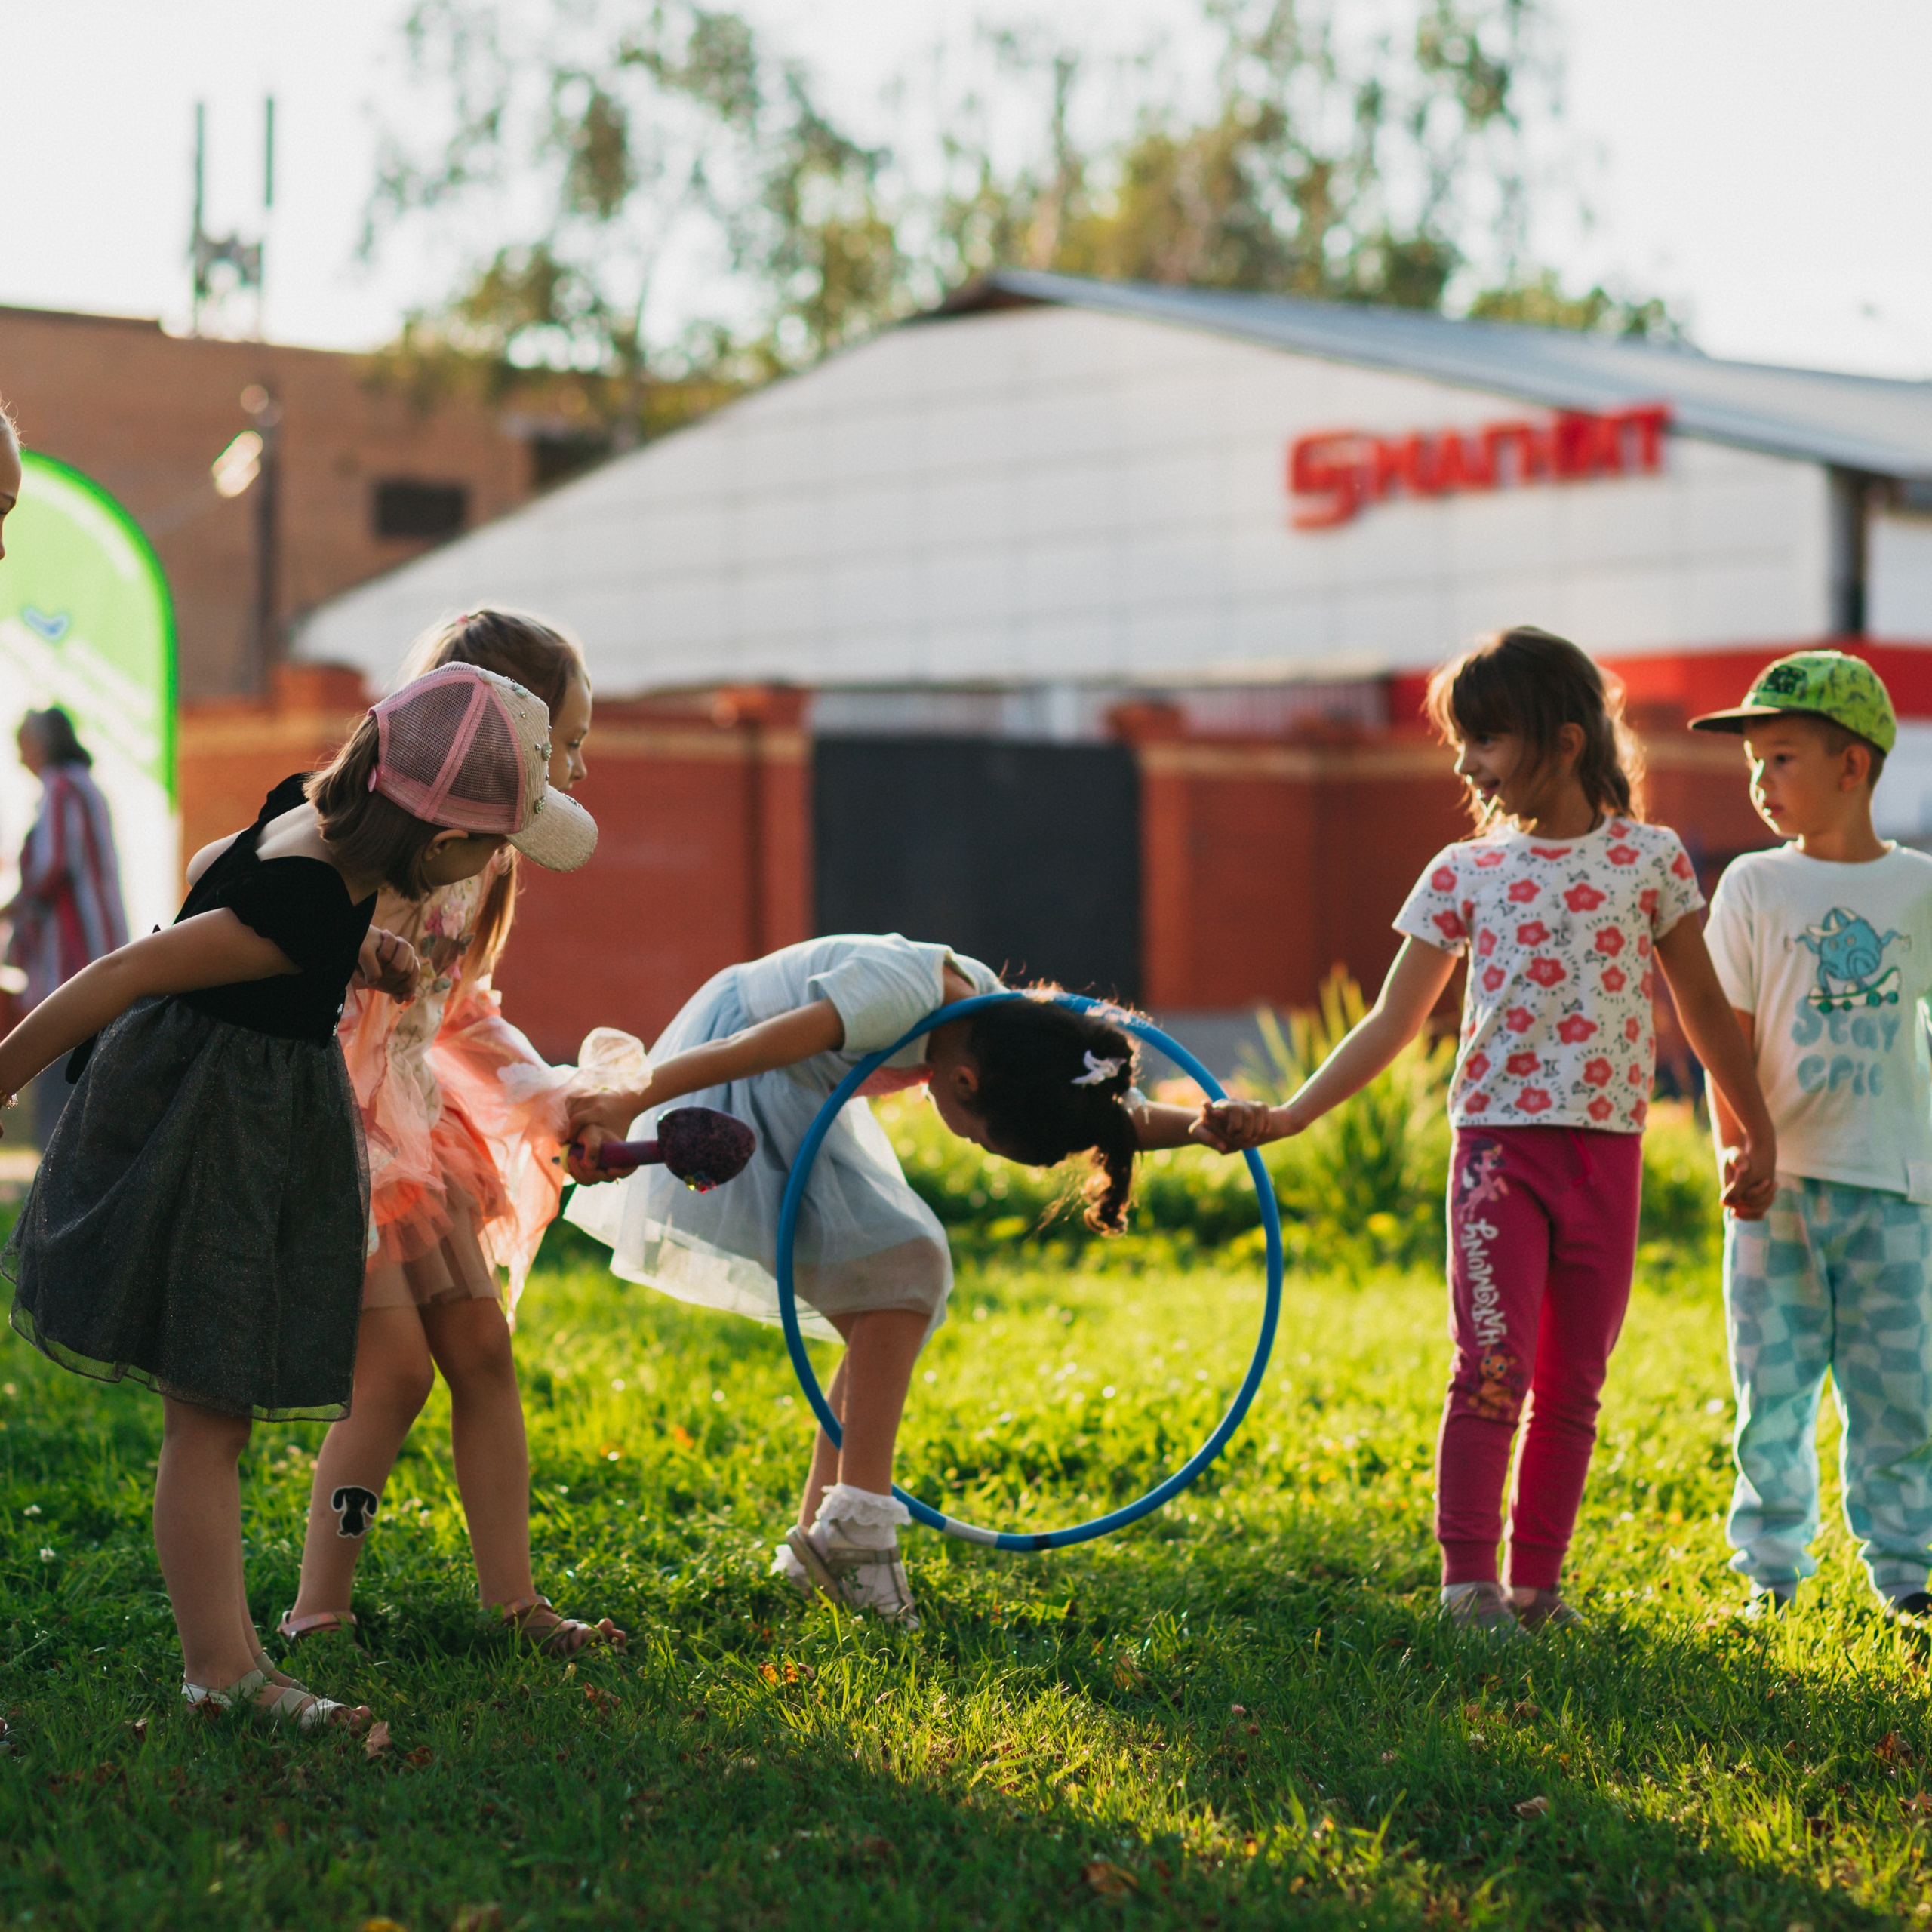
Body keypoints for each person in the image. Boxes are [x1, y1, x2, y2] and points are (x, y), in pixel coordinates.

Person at [0, 663, 596, 1729]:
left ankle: (224, 1667)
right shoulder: (303, 905)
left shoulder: (309, 809)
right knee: (211, 1418)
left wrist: (358, 952)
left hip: (254, 1114)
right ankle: (222, 1672)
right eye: (496, 845)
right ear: (449, 848)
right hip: (213, 1133)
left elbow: (227, 884)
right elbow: (132, 969)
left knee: (214, 1416)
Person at [1200, 626, 1777, 1635]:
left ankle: (1537, 1589)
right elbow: (1392, 1020)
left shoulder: (1652, 862)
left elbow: (1700, 1005)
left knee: (1573, 1385)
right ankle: (1470, 1585)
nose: (1466, 763)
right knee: (1492, 1366)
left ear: (1562, 740)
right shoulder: (1464, 872)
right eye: (1461, 740)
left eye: (1487, 740)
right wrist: (1291, 1114)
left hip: (1608, 1155)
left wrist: (1749, 1132)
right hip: (1498, 1157)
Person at [565, 936, 1221, 1627]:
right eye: (980, 1139)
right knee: (907, 1271)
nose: (970, 1141)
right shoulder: (903, 991)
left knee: (897, 1285)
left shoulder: (1002, 1036)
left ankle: (832, 1539)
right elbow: (754, 1049)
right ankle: (854, 1531)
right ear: (965, 1084)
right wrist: (627, 1101)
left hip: (802, 1089)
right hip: (744, 1071)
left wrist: (1211, 1127)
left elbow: (1108, 1115)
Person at [281, 609, 632, 1658]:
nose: (578, 763)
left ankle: (515, 1602)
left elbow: (459, 1005)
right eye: (565, 741)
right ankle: (317, 1608)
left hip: (414, 1124)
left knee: (482, 1349)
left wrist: (545, 1095)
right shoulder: (381, 842)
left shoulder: (489, 857)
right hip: (335, 1129)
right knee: (391, 1374)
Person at [1690, 651, 1932, 1623]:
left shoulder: (1920, 887)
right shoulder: (1752, 886)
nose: (1759, 781)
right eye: (1753, 761)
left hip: (1895, 1188)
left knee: (1900, 1396)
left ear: (1853, 765)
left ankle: (1909, 1572)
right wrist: (1741, 1148)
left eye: (1781, 756)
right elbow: (1725, 1036)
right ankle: (1771, 1577)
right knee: (1772, 1394)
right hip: (1777, 1191)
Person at [2, 706, 129, 1148]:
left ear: (40, 744)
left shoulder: (60, 788)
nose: (19, 759)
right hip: (100, 953)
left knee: (61, 1077)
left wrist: (9, 911)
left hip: (72, 961)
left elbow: (50, 866)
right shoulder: (86, 788)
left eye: (22, 747)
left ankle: (55, 1170)